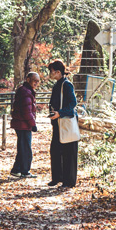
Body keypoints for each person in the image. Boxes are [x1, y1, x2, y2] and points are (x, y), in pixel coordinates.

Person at [46, 60, 79, 189]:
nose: (50, 74)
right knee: (55, 150)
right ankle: (57, 177)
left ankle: (68, 180)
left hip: (66, 121)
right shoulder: (57, 85)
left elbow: (73, 103)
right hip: (58, 122)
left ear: (58, 72)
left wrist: (60, 113)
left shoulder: (66, 85)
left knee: (69, 151)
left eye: (52, 71)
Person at [10, 71, 40, 178]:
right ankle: (25, 171)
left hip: (22, 123)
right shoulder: (25, 92)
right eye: (34, 81)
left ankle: (17, 169)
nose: (36, 83)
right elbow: (26, 111)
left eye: (38, 81)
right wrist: (33, 124)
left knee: (23, 147)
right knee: (26, 148)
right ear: (28, 79)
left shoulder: (26, 91)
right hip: (23, 124)